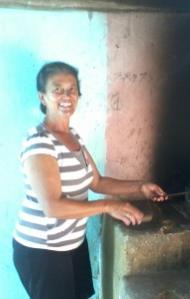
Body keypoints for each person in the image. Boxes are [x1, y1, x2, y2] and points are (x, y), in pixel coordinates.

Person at [12, 61, 168, 299]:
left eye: (72, 89)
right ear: (43, 97)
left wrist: (140, 187)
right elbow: (53, 206)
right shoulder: (40, 142)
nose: (67, 95)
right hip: (43, 251)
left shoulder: (72, 136)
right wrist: (108, 205)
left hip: (72, 244)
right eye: (58, 89)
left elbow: (97, 182)